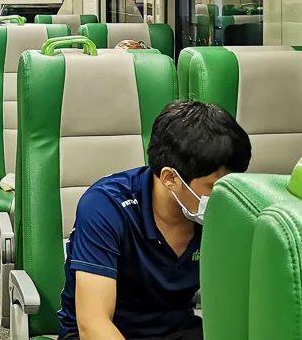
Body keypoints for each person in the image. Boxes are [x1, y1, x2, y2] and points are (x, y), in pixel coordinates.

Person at [58, 101, 251, 340]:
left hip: (177, 331)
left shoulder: (227, 210)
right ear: (170, 178)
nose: (227, 194)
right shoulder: (106, 206)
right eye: (215, 186)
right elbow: (93, 324)